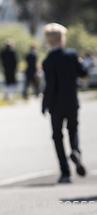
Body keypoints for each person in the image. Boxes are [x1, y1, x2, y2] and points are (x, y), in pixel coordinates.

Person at [42, 23, 87, 184]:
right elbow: (83, 73)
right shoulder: (71, 55)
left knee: (57, 136)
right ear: (62, 40)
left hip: (55, 104)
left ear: (48, 42)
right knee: (73, 130)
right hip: (71, 101)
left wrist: (44, 105)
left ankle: (65, 172)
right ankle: (75, 151)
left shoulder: (47, 61)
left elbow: (50, 85)